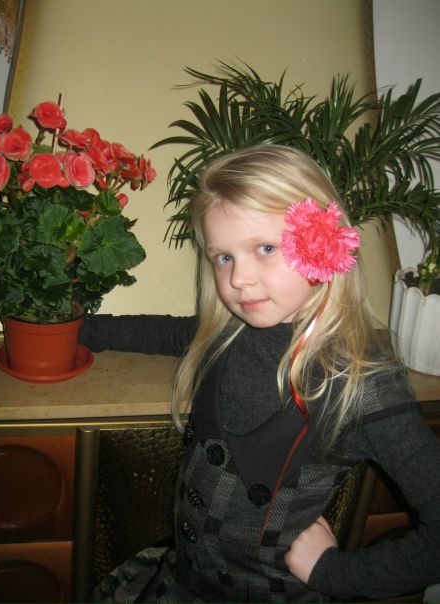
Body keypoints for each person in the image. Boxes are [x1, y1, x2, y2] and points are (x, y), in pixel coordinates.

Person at [82, 145, 440, 604]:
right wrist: (76, 328)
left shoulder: (365, 384)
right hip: (183, 583)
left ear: (324, 244)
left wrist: (334, 572)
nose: (238, 279)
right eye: (223, 257)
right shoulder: (226, 334)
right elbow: (164, 333)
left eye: (265, 248)